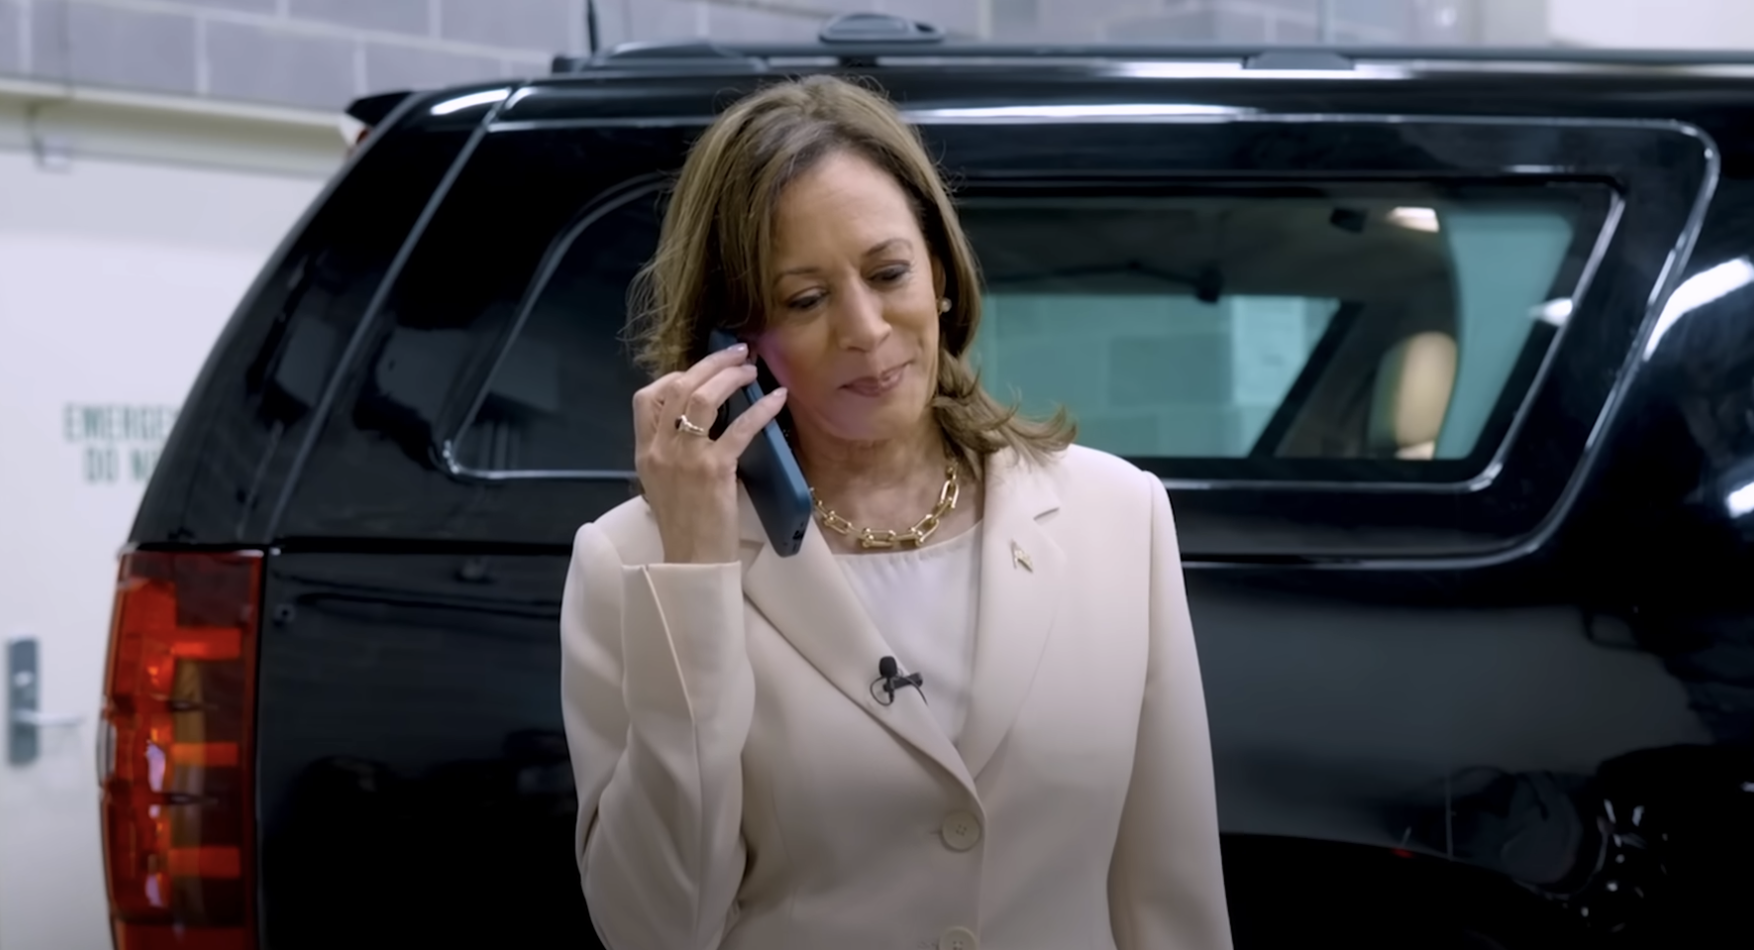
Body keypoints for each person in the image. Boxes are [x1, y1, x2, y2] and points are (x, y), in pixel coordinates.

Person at [559, 74, 1232, 950]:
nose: (867, 328)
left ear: (942, 274)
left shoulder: (1119, 516)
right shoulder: (631, 564)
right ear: (736, 340)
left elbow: (1170, 899)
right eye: (806, 299)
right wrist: (694, 575)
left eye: (887, 272)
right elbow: (654, 928)